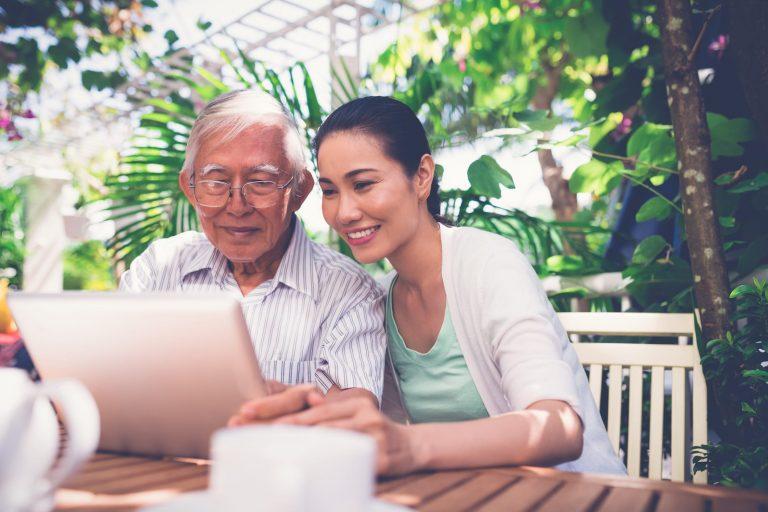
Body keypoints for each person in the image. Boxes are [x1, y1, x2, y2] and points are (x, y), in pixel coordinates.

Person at [230, 96, 626, 477]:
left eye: (364, 184)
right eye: (330, 191)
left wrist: (411, 445)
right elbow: (371, 429)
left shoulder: (487, 263)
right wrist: (306, 412)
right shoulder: (380, 299)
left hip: (573, 496)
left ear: (421, 177)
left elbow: (558, 428)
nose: (344, 212)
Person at [119, 90, 386, 405]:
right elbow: (106, 375)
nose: (237, 206)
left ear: (300, 191)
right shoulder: (157, 269)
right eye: (216, 182)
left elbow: (354, 416)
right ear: (189, 190)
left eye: (261, 182)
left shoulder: (348, 293)